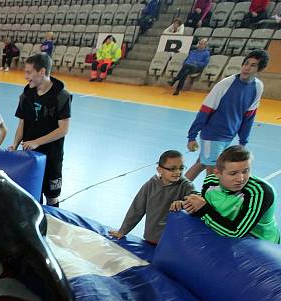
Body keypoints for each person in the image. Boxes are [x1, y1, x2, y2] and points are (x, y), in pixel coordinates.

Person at [185, 49, 269, 182]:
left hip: (228, 136)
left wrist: (242, 142)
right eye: (246, 63)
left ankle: (174, 191)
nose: (247, 68)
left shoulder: (258, 87)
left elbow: (249, 117)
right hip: (212, 135)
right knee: (214, 177)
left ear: (260, 69)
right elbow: (205, 110)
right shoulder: (226, 84)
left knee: (200, 164)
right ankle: (208, 201)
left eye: (253, 65)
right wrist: (192, 136)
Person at [174, 145, 279, 243]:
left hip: (260, 242)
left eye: (245, 171)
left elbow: (236, 232)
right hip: (224, 229)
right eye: (233, 173)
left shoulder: (260, 192)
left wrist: (203, 209)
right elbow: (205, 210)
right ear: (217, 173)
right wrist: (186, 205)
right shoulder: (211, 182)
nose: (241, 179)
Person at [9, 52, 71, 207]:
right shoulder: (26, 95)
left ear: (42, 72)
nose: (26, 76)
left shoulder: (61, 96)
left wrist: (37, 142)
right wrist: (15, 145)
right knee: (32, 195)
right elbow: (22, 123)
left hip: (52, 157)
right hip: (30, 156)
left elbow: (63, 129)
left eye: (29, 72)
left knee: (52, 197)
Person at [108, 150, 195, 244]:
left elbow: (197, 201)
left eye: (181, 168)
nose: (178, 172)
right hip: (151, 238)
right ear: (160, 170)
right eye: (172, 169)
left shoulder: (186, 186)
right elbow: (137, 209)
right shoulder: (150, 185)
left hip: (173, 242)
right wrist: (122, 231)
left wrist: (184, 203)